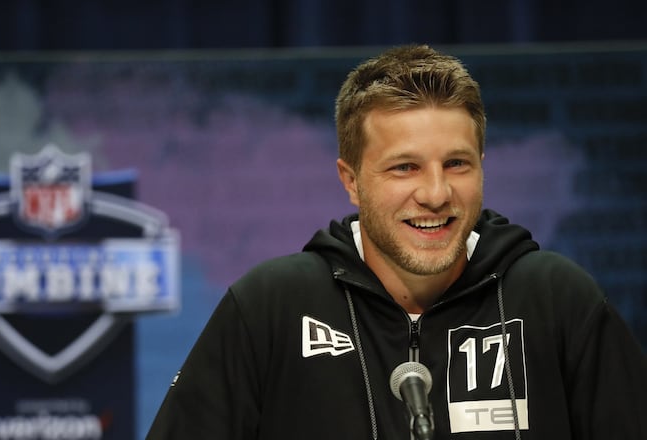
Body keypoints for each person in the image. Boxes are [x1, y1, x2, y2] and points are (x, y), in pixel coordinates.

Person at [146, 44, 647, 440]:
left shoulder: (559, 301)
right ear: (351, 180)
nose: (435, 193)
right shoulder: (269, 308)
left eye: (457, 164)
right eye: (404, 167)